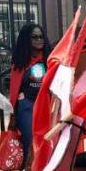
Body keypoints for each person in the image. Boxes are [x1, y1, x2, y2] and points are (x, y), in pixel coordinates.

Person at [8, 23, 51, 158]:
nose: (39, 40)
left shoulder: (51, 59)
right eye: (35, 37)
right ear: (27, 39)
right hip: (27, 108)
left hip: (48, 107)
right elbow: (14, 91)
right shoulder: (20, 62)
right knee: (31, 145)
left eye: (41, 36)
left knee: (49, 143)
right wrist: (13, 115)